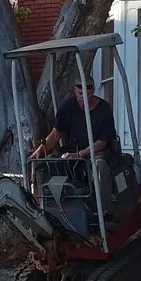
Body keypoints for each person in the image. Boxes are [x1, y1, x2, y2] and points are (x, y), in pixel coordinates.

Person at [30, 79, 119, 219]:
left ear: (93, 91)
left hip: (97, 152)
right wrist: (40, 151)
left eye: (88, 93)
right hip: (73, 151)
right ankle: (46, 210)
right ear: (75, 91)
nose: (84, 96)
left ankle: (104, 212)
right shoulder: (68, 107)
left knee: (99, 166)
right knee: (44, 165)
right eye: (80, 92)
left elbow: (102, 142)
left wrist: (78, 154)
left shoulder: (104, 109)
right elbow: (55, 134)